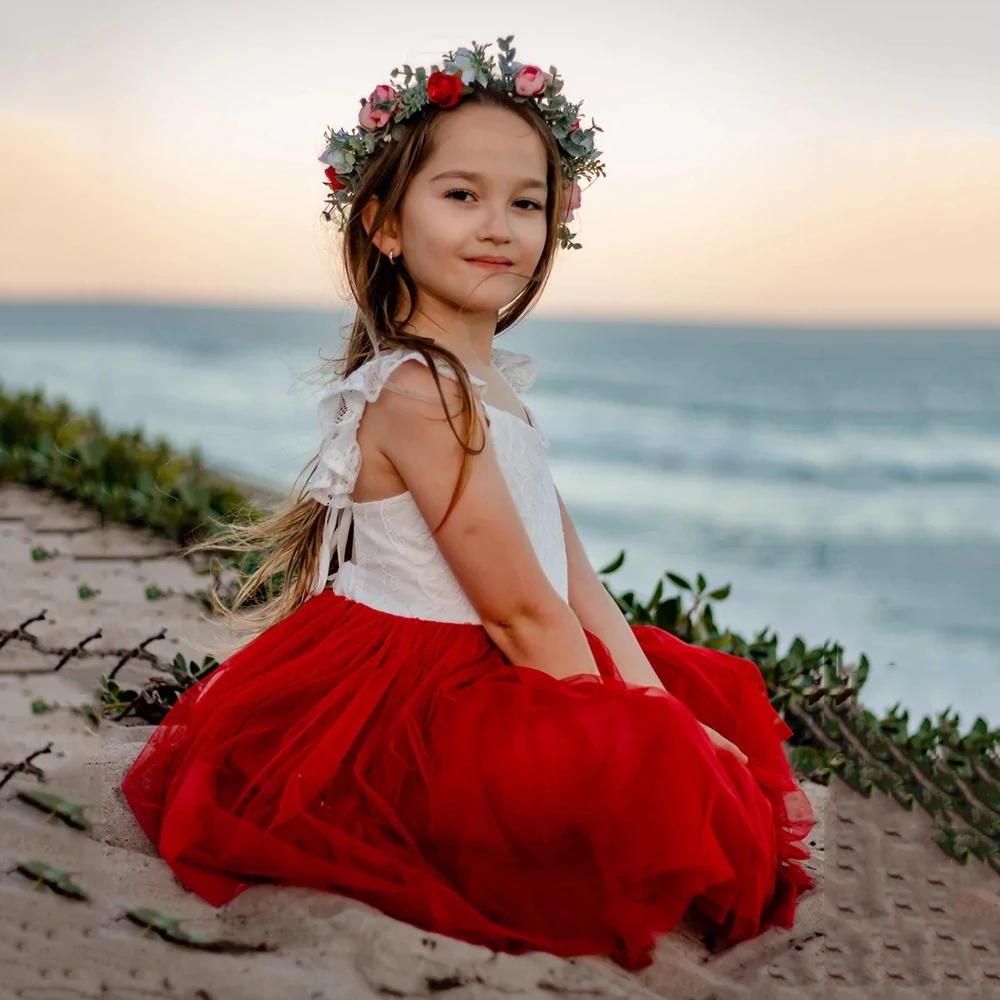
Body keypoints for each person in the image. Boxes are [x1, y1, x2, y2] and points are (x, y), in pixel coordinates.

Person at [120, 36, 817, 972]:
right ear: (385, 225)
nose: (499, 225)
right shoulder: (418, 393)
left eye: (526, 203)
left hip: (505, 654)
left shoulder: (490, 384)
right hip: (419, 693)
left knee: (688, 714)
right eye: (462, 195)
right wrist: (650, 743)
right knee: (646, 785)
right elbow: (521, 613)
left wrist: (662, 711)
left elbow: (577, 587)